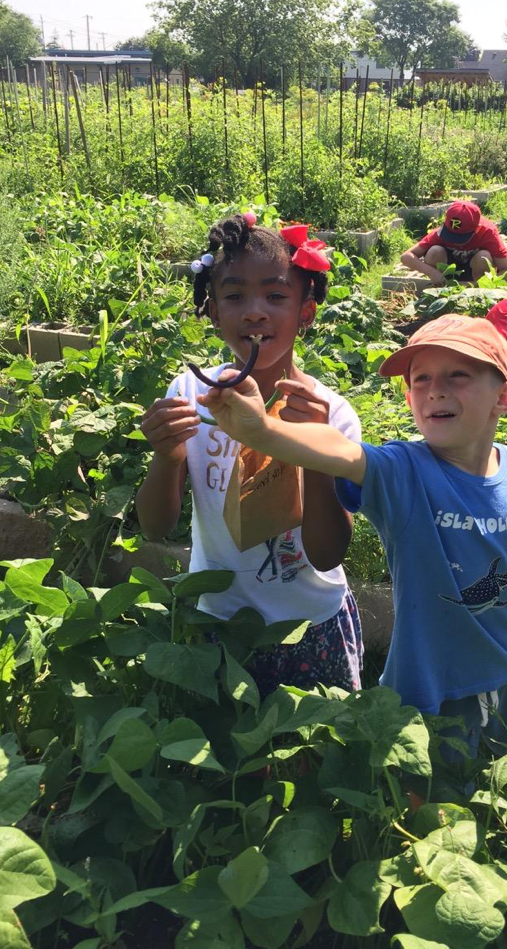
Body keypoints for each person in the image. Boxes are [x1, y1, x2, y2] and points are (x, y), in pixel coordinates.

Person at [199, 314, 507, 816]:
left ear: (504, 397)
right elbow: (343, 453)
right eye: (421, 379)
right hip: (429, 678)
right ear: (409, 398)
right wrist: (264, 430)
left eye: (457, 375)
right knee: (425, 797)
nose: (435, 390)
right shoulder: (403, 471)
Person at [135, 214, 363, 697]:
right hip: (219, 620)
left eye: (276, 296)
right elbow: (155, 527)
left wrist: (316, 450)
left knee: (313, 741)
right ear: (213, 312)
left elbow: (328, 554)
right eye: (235, 296)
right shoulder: (191, 396)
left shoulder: (329, 415)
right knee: (222, 741)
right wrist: (167, 457)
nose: (255, 312)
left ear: (306, 312)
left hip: (308, 623)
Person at [401, 201, 507, 288]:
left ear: (476, 229)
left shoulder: (487, 232)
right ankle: (440, 288)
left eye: (460, 237)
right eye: (450, 235)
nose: (454, 241)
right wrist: (432, 273)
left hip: (475, 276)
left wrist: (473, 285)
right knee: (434, 252)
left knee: (483, 257)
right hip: (447, 273)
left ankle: (477, 294)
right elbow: (406, 257)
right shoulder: (440, 233)